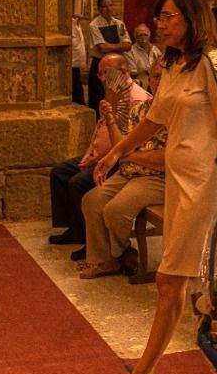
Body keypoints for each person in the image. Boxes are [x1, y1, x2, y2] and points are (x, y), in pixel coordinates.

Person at [92, 0, 217, 374]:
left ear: (192, 20)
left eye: (169, 16)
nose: (161, 23)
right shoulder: (176, 64)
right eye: (160, 16)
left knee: (170, 281)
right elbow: (157, 117)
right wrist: (116, 151)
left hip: (206, 186)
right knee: (211, 282)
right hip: (179, 181)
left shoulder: (213, 64)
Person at [48, 53, 147, 255]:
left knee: (79, 182)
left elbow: (129, 141)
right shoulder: (112, 92)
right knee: (59, 172)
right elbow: (100, 130)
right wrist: (89, 155)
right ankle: (75, 229)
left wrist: (101, 158)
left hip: (120, 159)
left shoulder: (137, 100)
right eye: (100, 73)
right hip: (99, 154)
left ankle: (89, 241)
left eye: (106, 73)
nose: (101, 78)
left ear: (123, 72)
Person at [80, 53, 167, 280]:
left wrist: (133, 156)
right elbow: (122, 146)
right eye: (155, 77)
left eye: (164, 77)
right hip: (129, 171)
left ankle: (121, 253)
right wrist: (110, 121)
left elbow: (166, 158)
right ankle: (105, 260)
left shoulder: (176, 113)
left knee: (115, 210)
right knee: (92, 200)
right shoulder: (142, 109)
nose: (158, 82)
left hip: (157, 177)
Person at [86, 0, 129, 110]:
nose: (108, 8)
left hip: (116, 66)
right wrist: (120, 46)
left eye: (110, 5)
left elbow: (128, 45)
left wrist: (110, 46)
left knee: (117, 100)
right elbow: (102, 48)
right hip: (100, 64)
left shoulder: (119, 24)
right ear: (99, 9)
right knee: (99, 99)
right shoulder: (94, 25)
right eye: (104, 6)